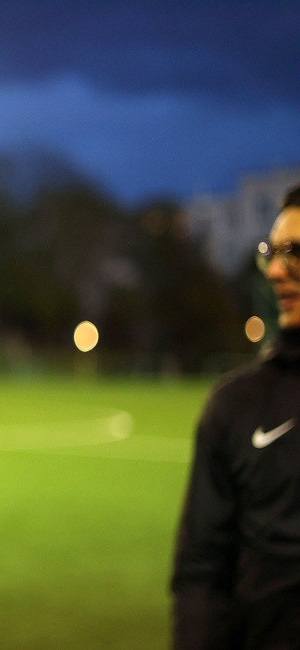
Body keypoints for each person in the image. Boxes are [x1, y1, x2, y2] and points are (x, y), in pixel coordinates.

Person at [172, 183, 300, 649]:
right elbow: (201, 571)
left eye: (296, 253)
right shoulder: (235, 406)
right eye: (271, 253)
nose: (275, 271)